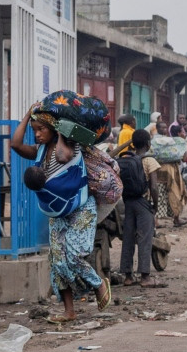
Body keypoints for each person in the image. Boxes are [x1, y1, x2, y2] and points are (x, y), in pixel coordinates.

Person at [12, 95, 113, 323]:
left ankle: (98, 285)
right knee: (57, 260)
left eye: (40, 130)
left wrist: (61, 131)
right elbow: (15, 144)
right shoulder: (39, 151)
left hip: (80, 208)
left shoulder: (70, 146)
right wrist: (29, 114)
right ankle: (69, 311)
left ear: (53, 128)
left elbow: (62, 156)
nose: (36, 134)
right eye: (34, 130)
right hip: (57, 211)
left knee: (74, 255)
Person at [117, 129, 165, 288]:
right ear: (148, 144)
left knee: (128, 238)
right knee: (145, 239)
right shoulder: (149, 160)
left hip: (127, 202)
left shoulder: (127, 160)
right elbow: (154, 187)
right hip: (143, 202)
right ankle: (145, 277)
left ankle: (128, 276)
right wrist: (155, 207)